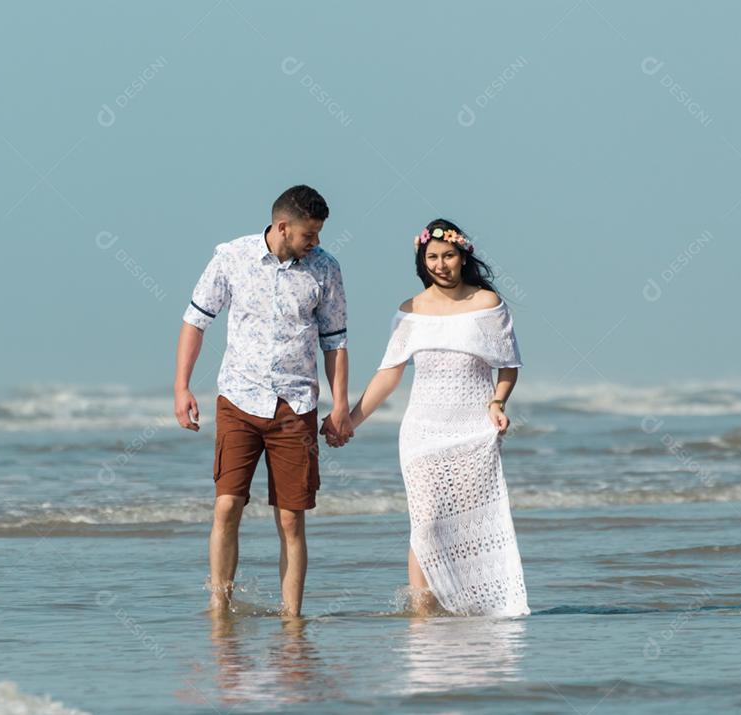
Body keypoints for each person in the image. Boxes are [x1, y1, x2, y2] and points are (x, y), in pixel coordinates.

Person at [173, 185, 353, 618]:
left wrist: (340, 404)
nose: (316, 243)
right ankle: (220, 606)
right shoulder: (231, 257)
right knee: (227, 505)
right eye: (310, 235)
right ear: (282, 226)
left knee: (291, 519)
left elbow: (336, 341)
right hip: (238, 399)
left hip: (296, 406)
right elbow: (195, 321)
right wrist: (181, 388)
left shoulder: (325, 269)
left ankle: (292, 618)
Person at [347, 219, 530, 617]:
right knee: (426, 524)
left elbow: (508, 366)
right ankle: (422, 611)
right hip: (422, 433)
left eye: (448, 256)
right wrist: (349, 421)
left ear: (463, 257)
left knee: (464, 526)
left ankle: (466, 606)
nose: (441, 264)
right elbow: (388, 373)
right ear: (421, 259)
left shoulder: (487, 304)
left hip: (472, 432)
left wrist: (498, 403)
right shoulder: (409, 311)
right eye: (432, 257)